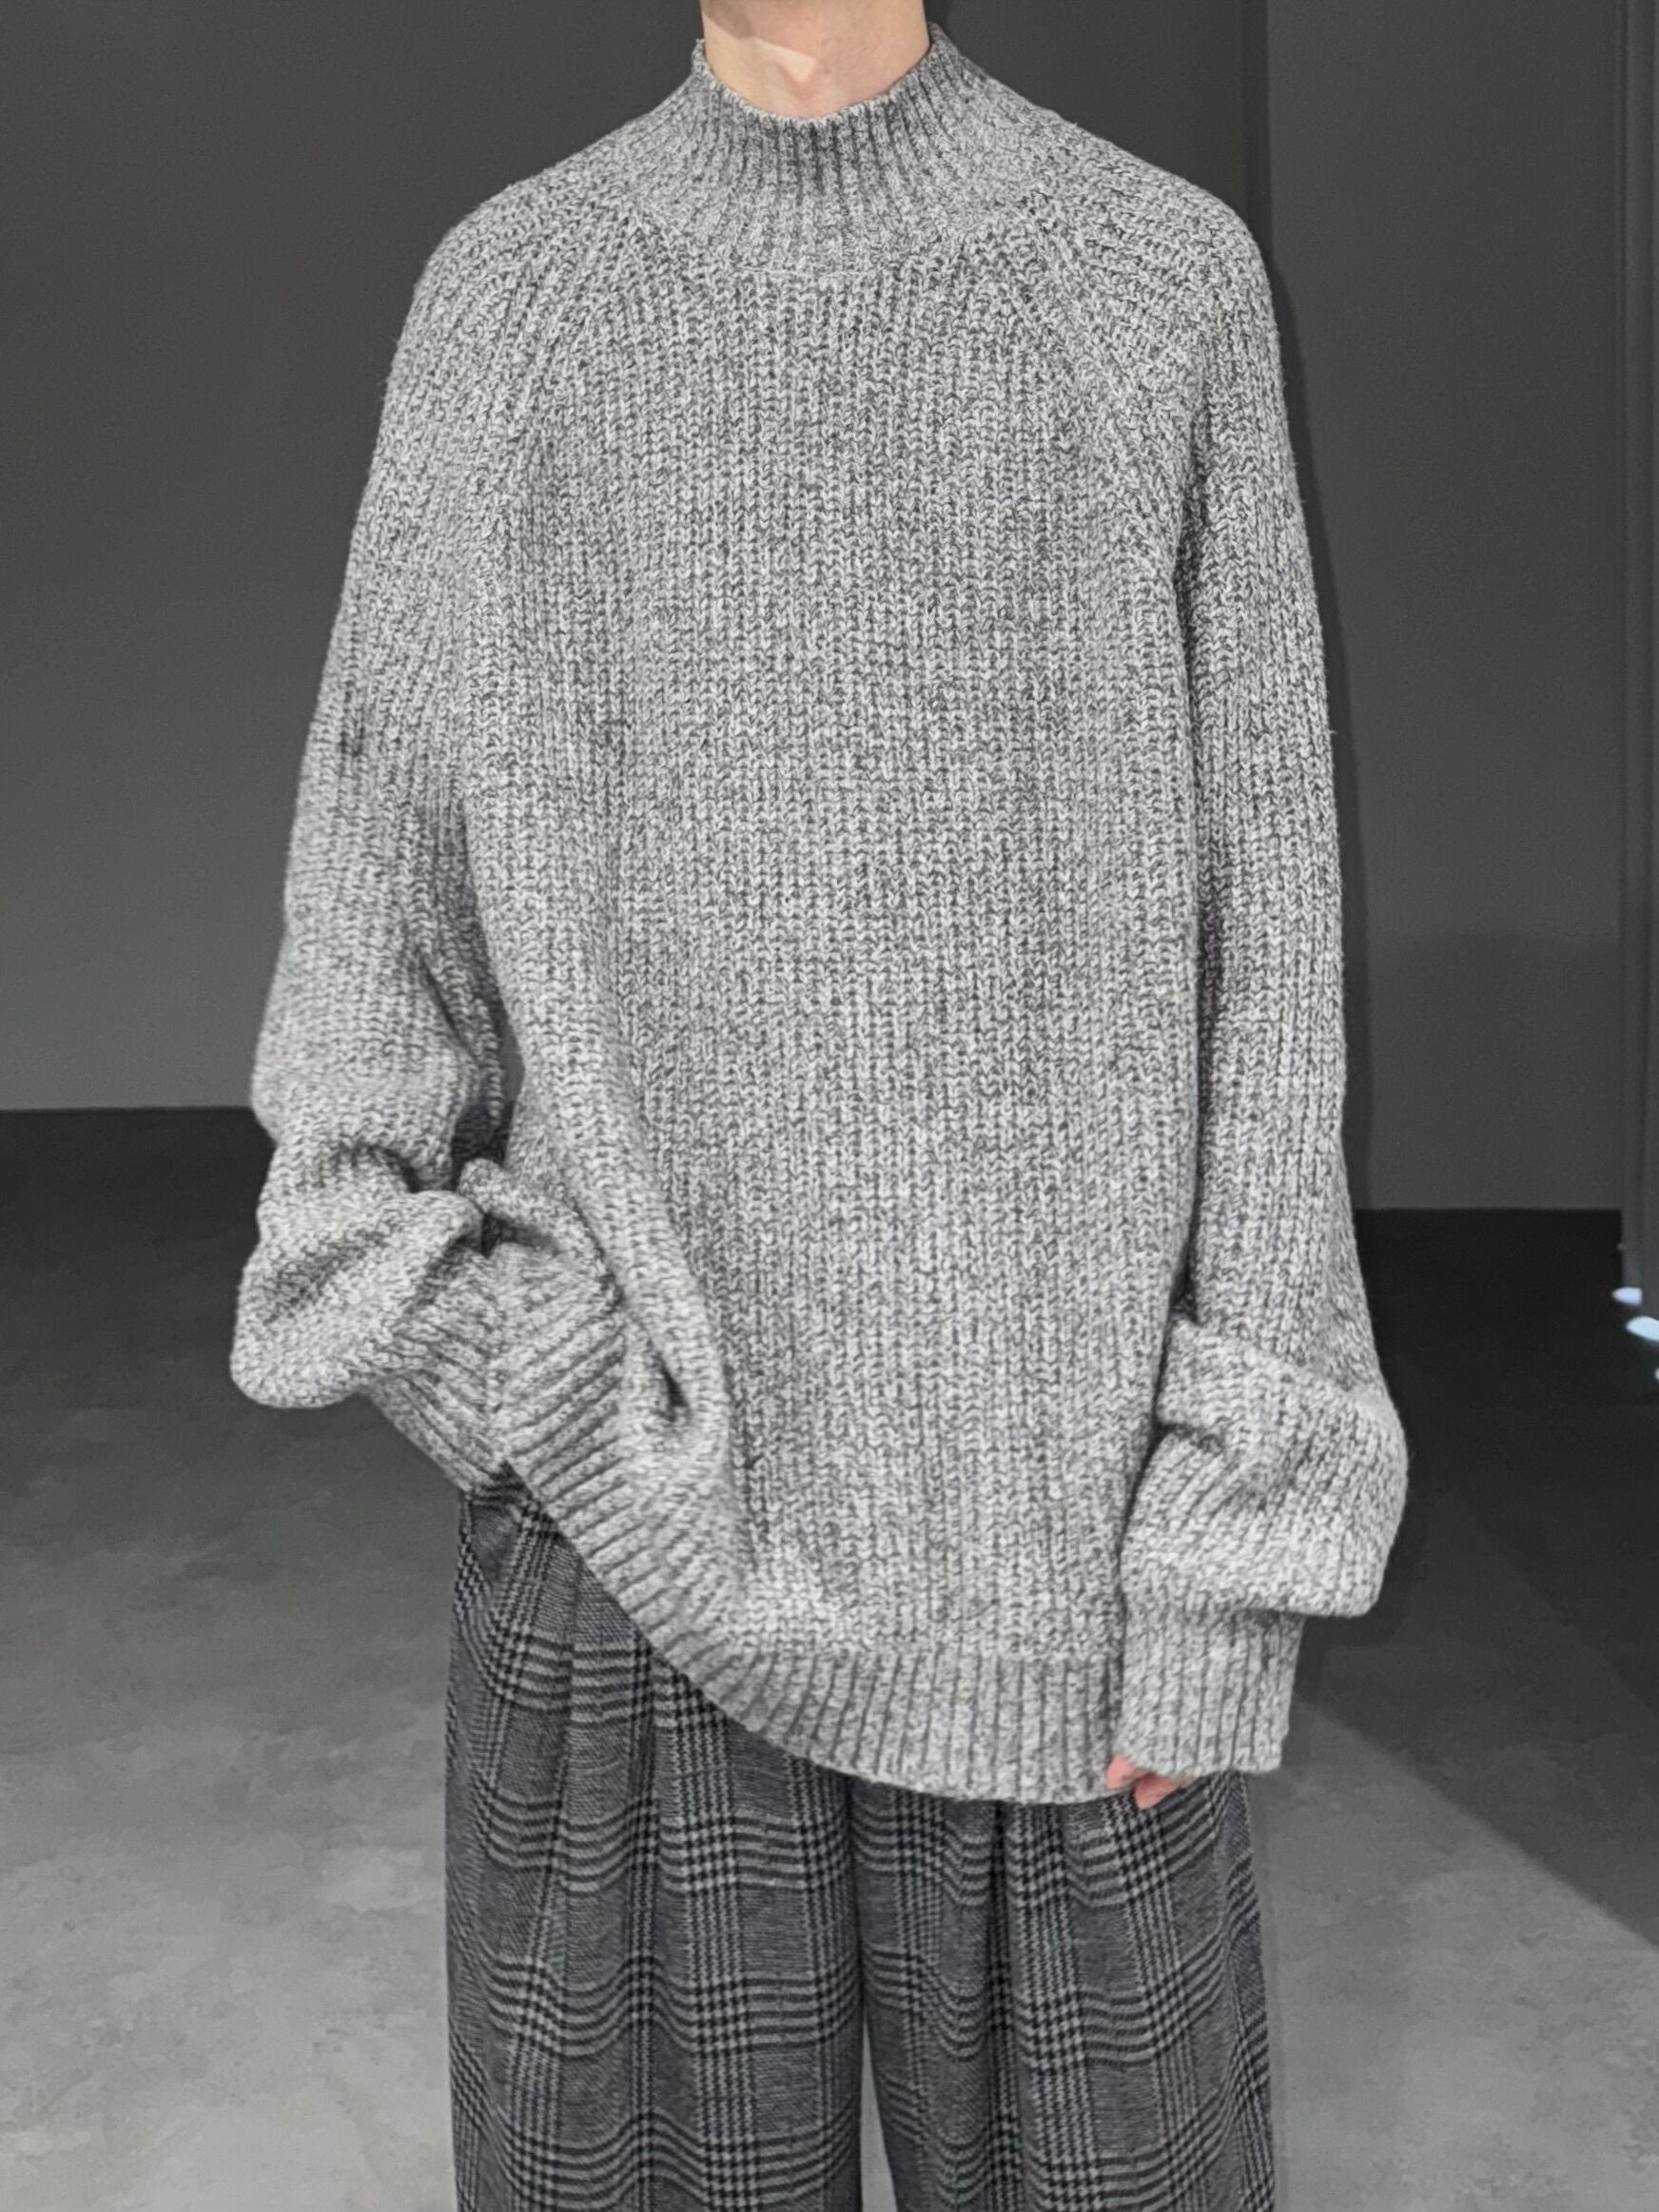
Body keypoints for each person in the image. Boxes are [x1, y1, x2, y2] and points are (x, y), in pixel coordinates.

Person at [229, 4, 1411, 2204]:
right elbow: (362, 1020)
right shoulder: (515, 302)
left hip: (1063, 1583)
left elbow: (1263, 970)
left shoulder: (1150, 285)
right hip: (630, 1566)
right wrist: (556, 1399)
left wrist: (1219, 1558)